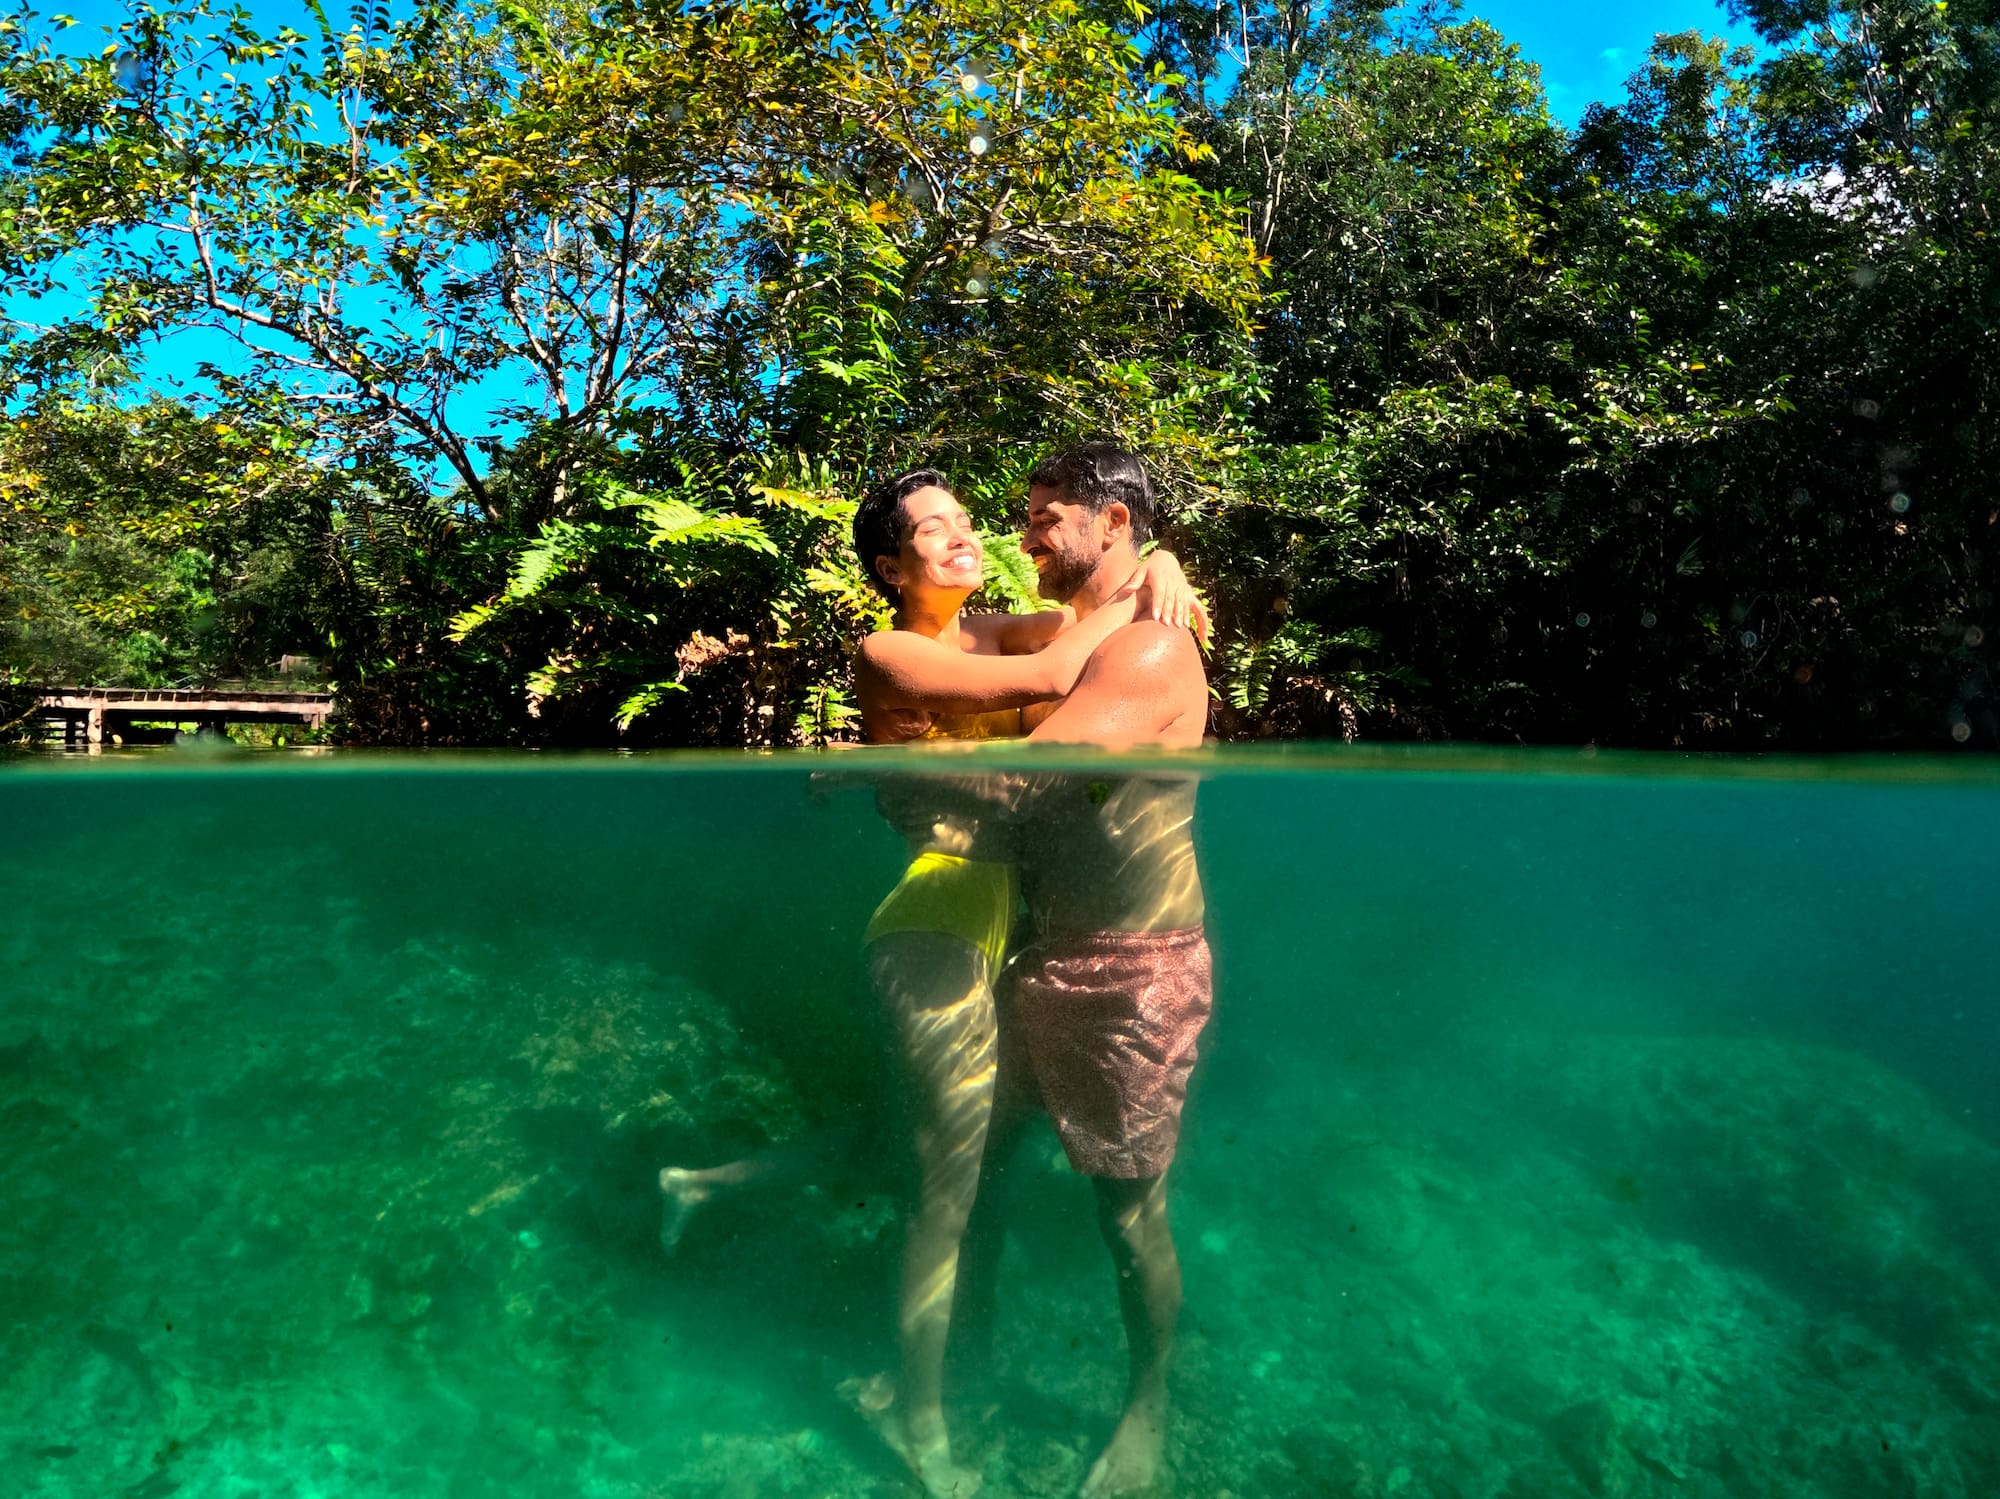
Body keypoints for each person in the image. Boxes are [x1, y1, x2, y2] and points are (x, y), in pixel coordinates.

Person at [660, 467, 1200, 1499]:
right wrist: (1139, 577)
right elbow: (1054, 678)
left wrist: (1156, 558)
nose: (962, 539)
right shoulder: (892, 647)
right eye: (931, 530)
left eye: (964, 522)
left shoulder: (993, 628)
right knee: (941, 1197)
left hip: (1023, 928)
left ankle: (702, 1184)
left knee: (910, 1149)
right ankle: (917, 1423)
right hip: (943, 914)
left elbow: (1085, 631)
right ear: (888, 565)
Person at [952, 442, 1211, 1499]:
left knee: (1124, 1216)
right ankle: (958, 1365)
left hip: (1132, 978)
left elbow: (1021, 773)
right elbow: (958, 643)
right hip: (1040, 952)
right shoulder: (1076, 632)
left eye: (1045, 515)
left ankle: (1144, 1404)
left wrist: (879, 765)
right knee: (971, 1170)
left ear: (1112, 522)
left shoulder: (1150, 654)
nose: (1023, 538)